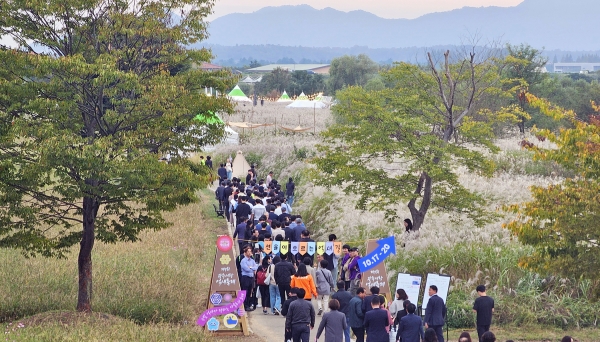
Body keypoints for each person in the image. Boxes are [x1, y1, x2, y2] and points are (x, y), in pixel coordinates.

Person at [240, 246, 257, 311]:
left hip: (251, 277)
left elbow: (256, 267)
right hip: (245, 277)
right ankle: (245, 305)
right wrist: (251, 268)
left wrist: (251, 267)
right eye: (248, 251)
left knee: (250, 291)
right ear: (245, 252)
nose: (249, 253)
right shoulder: (243, 261)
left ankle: (248, 305)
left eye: (250, 251)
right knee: (245, 291)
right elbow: (246, 269)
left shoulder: (252, 260)